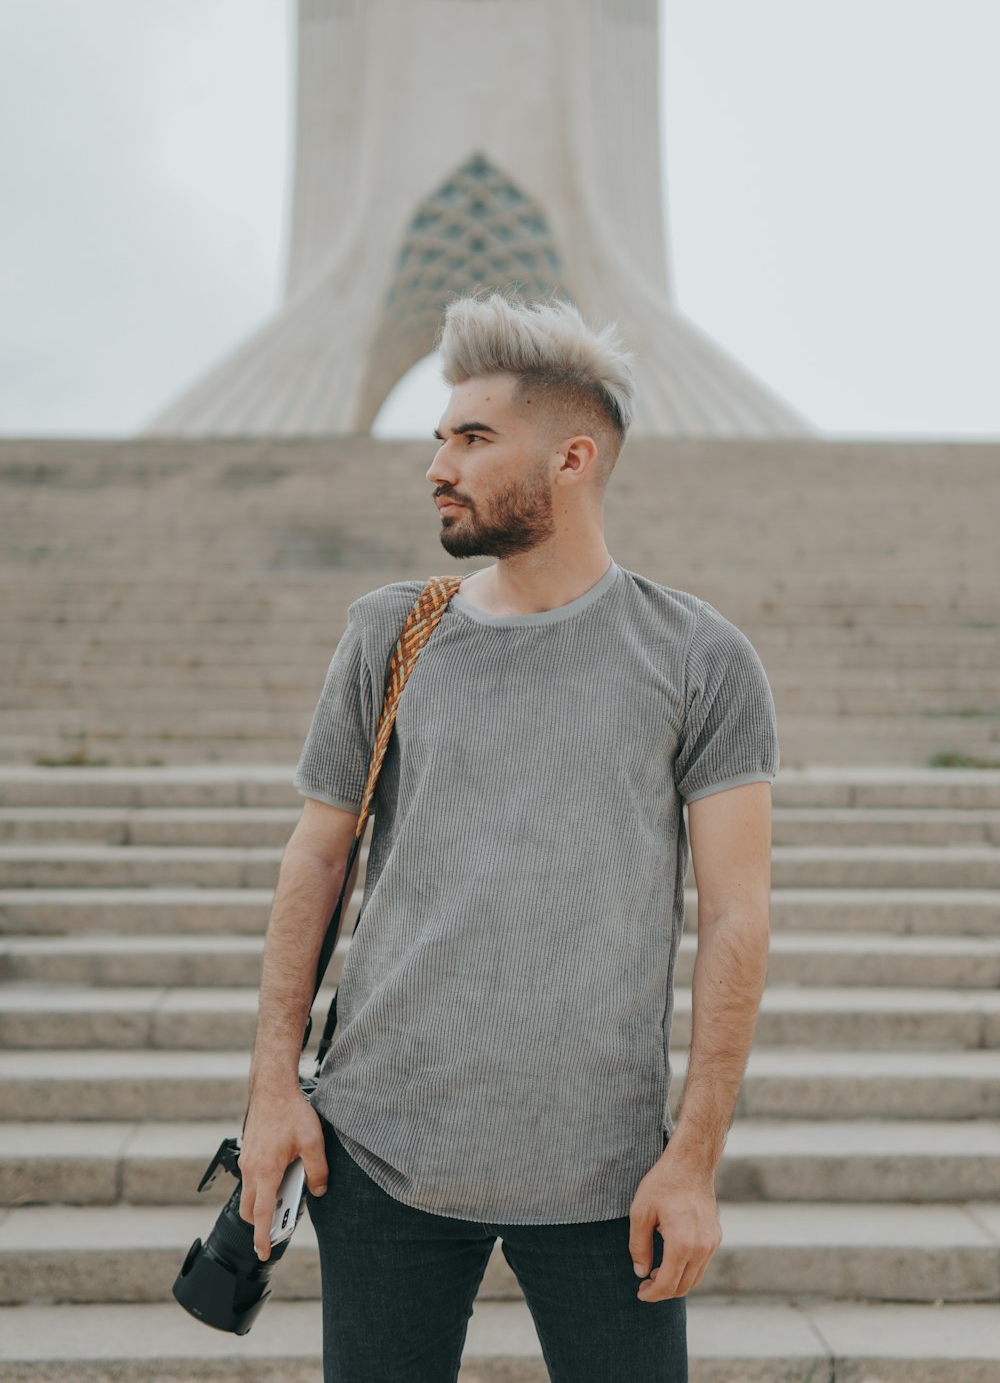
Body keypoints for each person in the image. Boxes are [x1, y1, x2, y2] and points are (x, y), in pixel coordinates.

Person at [238, 291, 778, 1383]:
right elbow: (317, 857)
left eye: (474, 439)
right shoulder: (391, 631)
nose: (439, 463)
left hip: (606, 1174)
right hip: (383, 1149)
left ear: (572, 458)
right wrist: (272, 1089)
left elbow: (735, 914)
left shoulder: (697, 656)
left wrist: (693, 1157)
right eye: (440, 436)